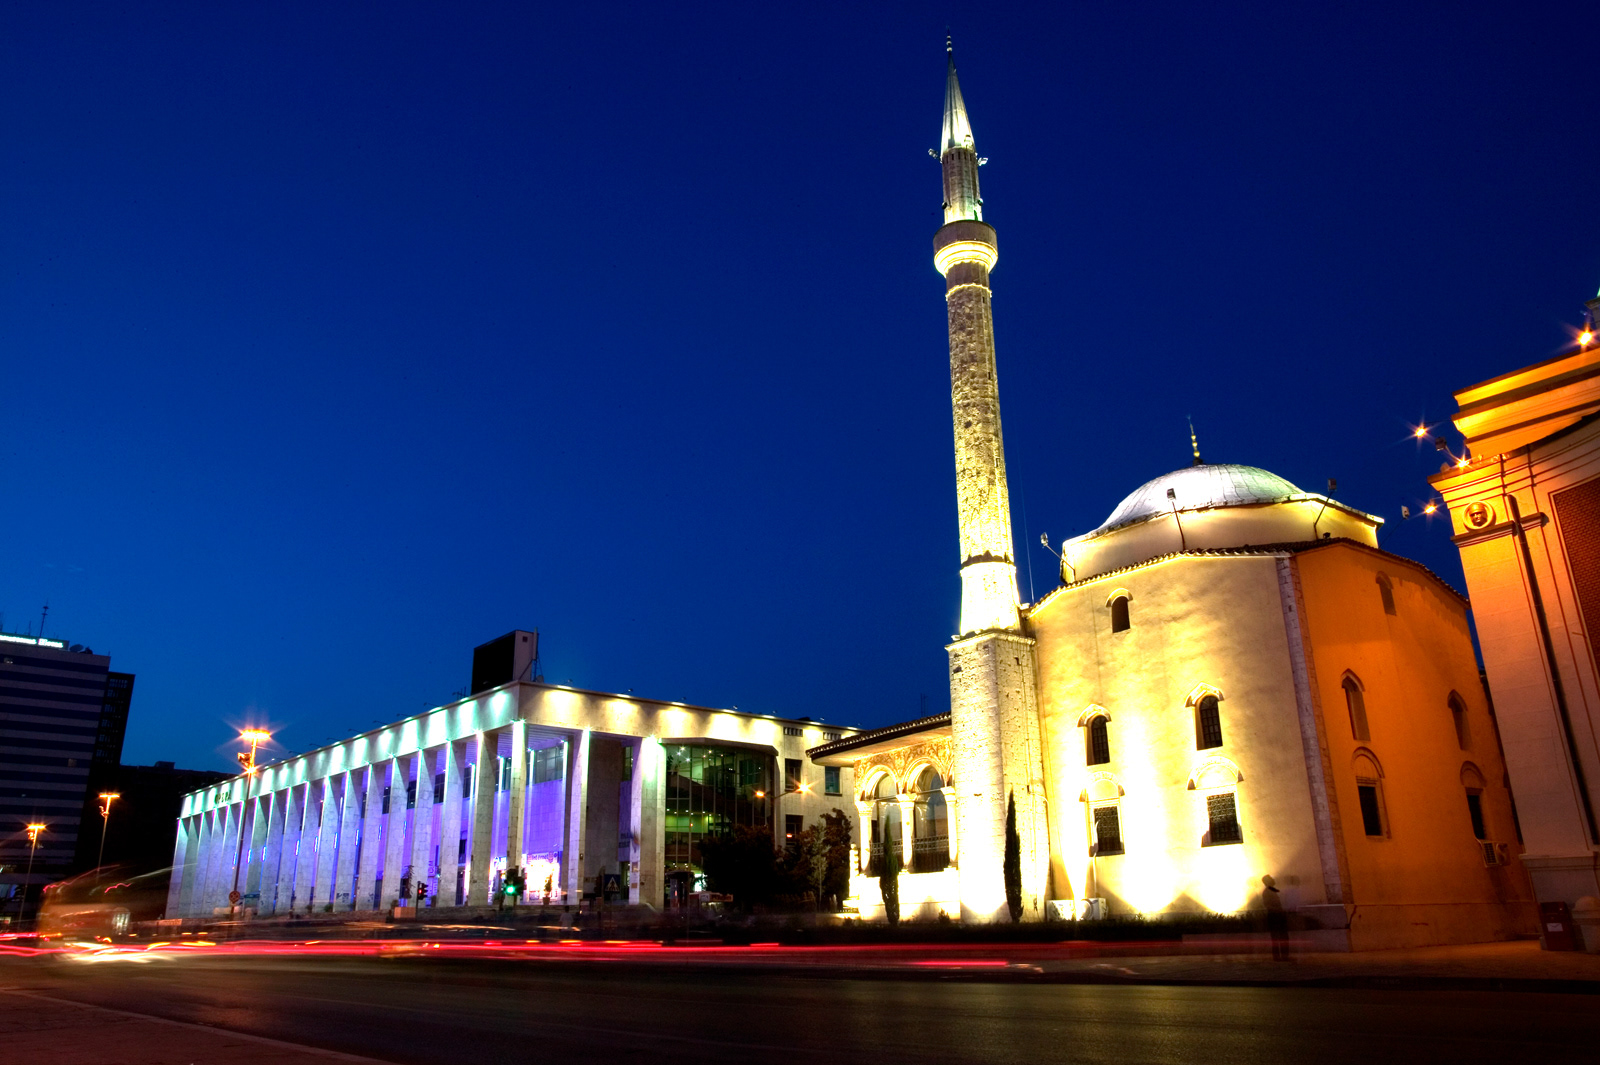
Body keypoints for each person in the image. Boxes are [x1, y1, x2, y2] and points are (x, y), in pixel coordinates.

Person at [1261, 874, 1290, 960]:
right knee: (1278, 937)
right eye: (1271, 879)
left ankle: (1282, 956)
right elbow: (1267, 905)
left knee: (1281, 937)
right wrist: (1278, 910)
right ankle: (1279, 956)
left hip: (1277, 915)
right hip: (1275, 916)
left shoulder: (1272, 891)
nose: (1273, 880)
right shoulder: (1267, 892)